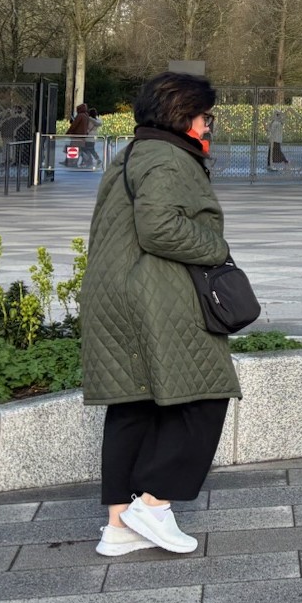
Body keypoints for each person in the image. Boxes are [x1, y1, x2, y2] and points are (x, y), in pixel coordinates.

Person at [79, 71, 235, 560]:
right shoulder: (169, 158)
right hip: (155, 295)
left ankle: (117, 527)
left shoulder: (132, 153)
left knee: (133, 405)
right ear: (183, 115)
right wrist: (217, 249)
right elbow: (159, 228)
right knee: (206, 395)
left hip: (114, 291)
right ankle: (152, 503)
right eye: (205, 116)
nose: (208, 125)